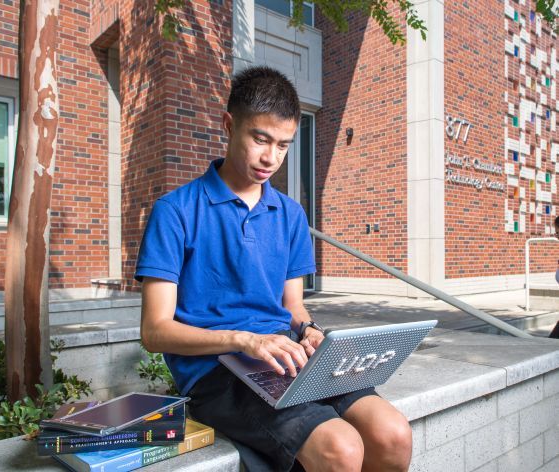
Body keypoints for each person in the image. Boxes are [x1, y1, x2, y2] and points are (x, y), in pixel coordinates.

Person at [135, 66, 412, 472]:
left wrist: (311, 331)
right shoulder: (176, 212)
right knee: (342, 448)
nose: (271, 158)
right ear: (230, 125)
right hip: (217, 373)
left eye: (283, 145)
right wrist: (245, 340)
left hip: (287, 357)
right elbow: (155, 332)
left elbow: (293, 308)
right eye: (260, 139)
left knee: (393, 433)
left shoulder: (290, 214)